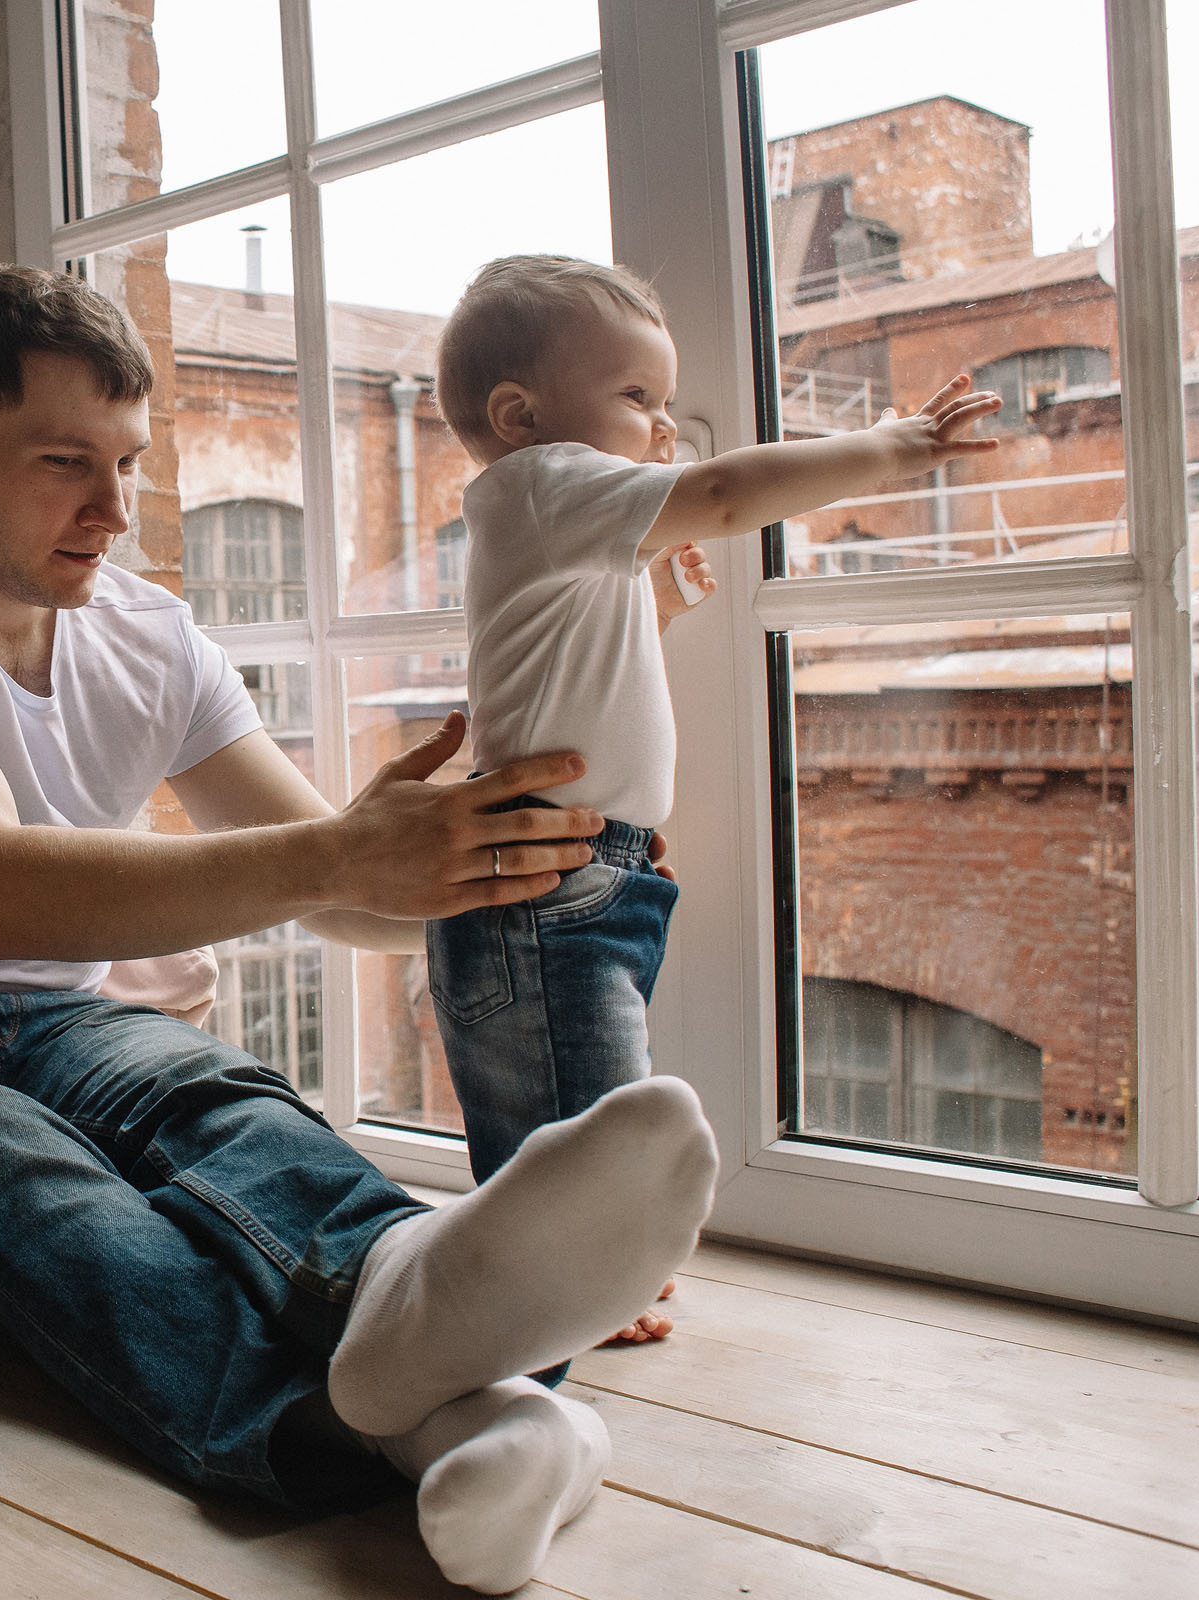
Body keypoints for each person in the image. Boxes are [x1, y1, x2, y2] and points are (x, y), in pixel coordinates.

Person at [0, 265, 720, 1594]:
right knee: (16, 1172)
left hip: (65, 1020)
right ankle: (397, 1426)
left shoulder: (151, 636)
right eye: (66, 463)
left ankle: (456, 1362)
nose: (114, 508)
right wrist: (349, 850)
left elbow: (334, 889)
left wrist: (514, 872)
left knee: (234, 1111)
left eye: (129, 463)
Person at [423, 254, 998, 1335]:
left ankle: (583, 1270)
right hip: (549, 883)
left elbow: (576, 679)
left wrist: (653, 612)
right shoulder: (544, 482)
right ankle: (563, 1294)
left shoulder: (555, 517)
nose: (664, 427)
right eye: (637, 396)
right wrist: (894, 446)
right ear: (520, 416)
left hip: (592, 867)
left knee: (586, 1096)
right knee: (578, 1108)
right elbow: (727, 495)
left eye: (666, 402)